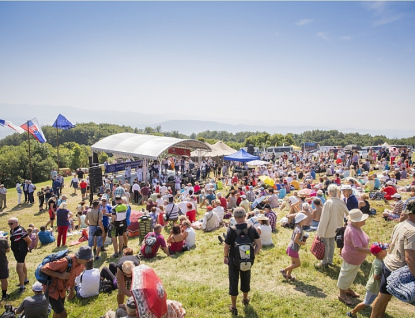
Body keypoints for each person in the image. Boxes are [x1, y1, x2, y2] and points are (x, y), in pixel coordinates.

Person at [370, 199, 415, 318]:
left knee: (383, 297)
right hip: (397, 269)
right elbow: (410, 259)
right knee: (383, 297)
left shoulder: (401, 224)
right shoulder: (413, 232)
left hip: (389, 263)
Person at [224, 207, 261, 316]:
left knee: (233, 281)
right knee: (246, 277)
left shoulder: (231, 230)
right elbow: (259, 245)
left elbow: (226, 247)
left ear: (234, 217)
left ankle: (234, 306)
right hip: (247, 259)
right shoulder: (252, 228)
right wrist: (251, 255)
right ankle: (245, 299)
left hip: (234, 260)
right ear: (245, 216)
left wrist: (225, 256)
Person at [41, 246, 93, 318]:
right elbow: (44, 269)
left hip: (62, 291)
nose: (88, 261)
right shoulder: (65, 261)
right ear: (80, 257)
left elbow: (73, 278)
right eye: (87, 259)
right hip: (51, 290)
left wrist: (71, 290)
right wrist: (60, 275)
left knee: (57, 312)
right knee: (63, 314)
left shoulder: (81, 265)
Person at [337, 209, 371, 305]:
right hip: (351, 257)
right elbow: (358, 248)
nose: (365, 220)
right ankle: (342, 294)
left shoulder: (356, 227)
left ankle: (346, 289)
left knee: (351, 274)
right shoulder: (353, 231)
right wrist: (372, 251)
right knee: (346, 274)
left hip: (356, 258)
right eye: (363, 219)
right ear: (357, 221)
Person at [347, 242, 389, 318]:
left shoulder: (379, 261)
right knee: (366, 303)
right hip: (373, 287)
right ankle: (352, 312)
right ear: (380, 253)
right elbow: (376, 276)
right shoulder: (378, 263)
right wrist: (384, 276)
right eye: (385, 250)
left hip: (376, 287)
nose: (386, 251)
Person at [316, 184, 349, 268]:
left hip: (328, 227)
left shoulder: (328, 203)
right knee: (331, 245)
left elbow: (324, 219)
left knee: (326, 245)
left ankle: (324, 262)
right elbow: (348, 213)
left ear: (330, 192)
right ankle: (330, 260)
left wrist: (320, 231)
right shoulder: (341, 202)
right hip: (337, 228)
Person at [280, 212, 308, 281]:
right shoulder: (299, 230)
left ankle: (289, 276)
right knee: (298, 264)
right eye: (304, 220)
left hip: (292, 247)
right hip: (293, 248)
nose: (305, 221)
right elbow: (295, 240)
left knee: (293, 263)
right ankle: (284, 270)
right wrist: (302, 243)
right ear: (300, 221)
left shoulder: (298, 227)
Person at [8, 217, 31, 294]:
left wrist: (26, 247)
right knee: (23, 264)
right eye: (9, 223)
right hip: (16, 251)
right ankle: (25, 280)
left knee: (19, 269)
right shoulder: (12, 230)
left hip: (21, 251)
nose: (10, 225)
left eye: (11, 223)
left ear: (16, 223)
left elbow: (29, 240)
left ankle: (22, 286)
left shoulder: (21, 230)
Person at [0, 230, 10, 300]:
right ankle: (4, 295)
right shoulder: (3, 240)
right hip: (2, 262)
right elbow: (8, 250)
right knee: (4, 279)